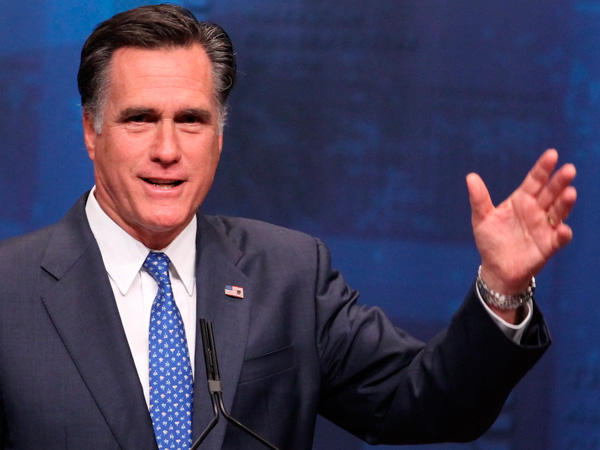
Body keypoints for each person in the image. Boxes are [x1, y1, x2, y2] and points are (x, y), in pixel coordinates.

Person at [0, 4, 577, 450]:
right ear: (91, 131)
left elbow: (428, 404)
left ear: (220, 136)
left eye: (192, 120)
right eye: (141, 119)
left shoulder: (290, 275)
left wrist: (501, 288)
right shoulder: (9, 290)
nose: (168, 149)